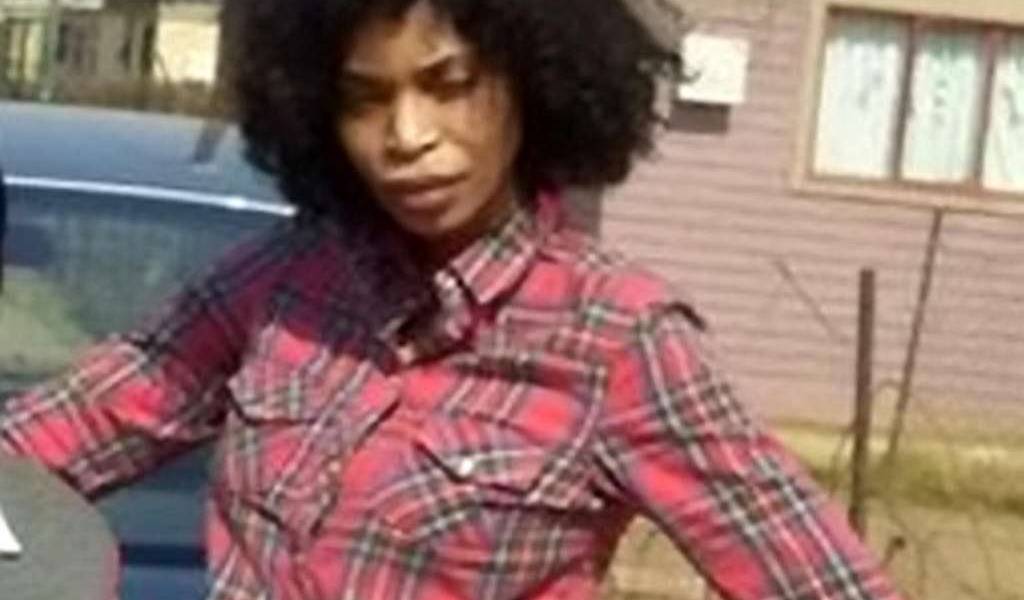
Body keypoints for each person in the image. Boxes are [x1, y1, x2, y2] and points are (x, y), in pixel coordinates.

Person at [0, 1, 902, 598]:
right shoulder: (282, 285)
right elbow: (54, 436)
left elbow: (821, 582)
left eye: (449, 85)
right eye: (365, 100)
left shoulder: (619, 340)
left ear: (534, 78)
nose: (408, 136)